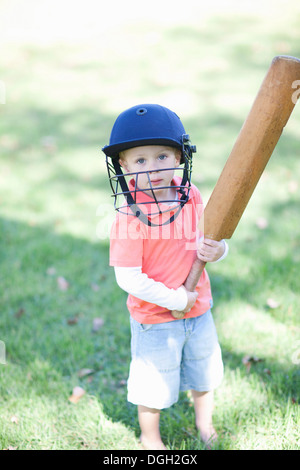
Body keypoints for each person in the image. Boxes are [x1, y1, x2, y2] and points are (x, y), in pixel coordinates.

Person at [102, 104, 228, 450]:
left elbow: (210, 240)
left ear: (179, 155)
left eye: (161, 156)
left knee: (203, 375)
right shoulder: (130, 216)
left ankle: (205, 425)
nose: (153, 168)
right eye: (140, 161)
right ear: (123, 166)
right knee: (153, 387)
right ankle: (150, 439)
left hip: (199, 308)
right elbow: (128, 278)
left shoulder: (191, 196)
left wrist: (219, 252)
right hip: (155, 319)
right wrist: (176, 299)